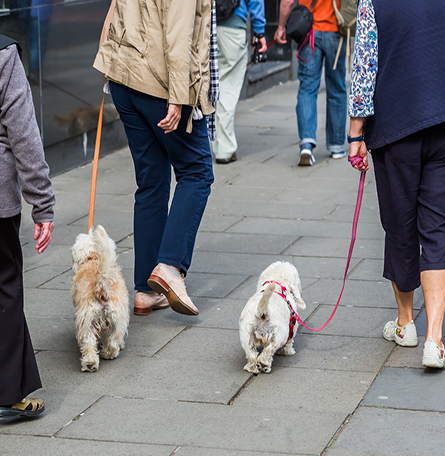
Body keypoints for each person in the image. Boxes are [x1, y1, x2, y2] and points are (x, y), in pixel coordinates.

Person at [348, 0, 445, 368]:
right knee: (440, 227)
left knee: (400, 223)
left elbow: (365, 65)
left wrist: (355, 132)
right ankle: (434, 341)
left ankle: (404, 323)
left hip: (398, 123)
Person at [94, 0, 216, 316]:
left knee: (150, 181)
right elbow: (178, 33)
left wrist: (108, 59)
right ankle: (170, 267)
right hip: (159, 85)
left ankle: (147, 292)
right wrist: (178, 97)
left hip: (125, 79)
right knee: (197, 171)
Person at [0, 36, 55, 418]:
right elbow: (24, 135)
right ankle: (6, 394)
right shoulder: (3, 55)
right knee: (5, 288)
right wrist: (42, 203)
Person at [275, 0, 347, 166]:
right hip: (336, 32)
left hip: (309, 33)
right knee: (337, 89)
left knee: (307, 89)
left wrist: (281, 27)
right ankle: (336, 146)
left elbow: (287, 1)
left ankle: (307, 144)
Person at [211, 0, 268, 165]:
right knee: (227, 87)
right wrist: (259, 31)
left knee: (210, 87)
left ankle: (209, 144)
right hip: (233, 28)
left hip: (205, 28)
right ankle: (224, 149)